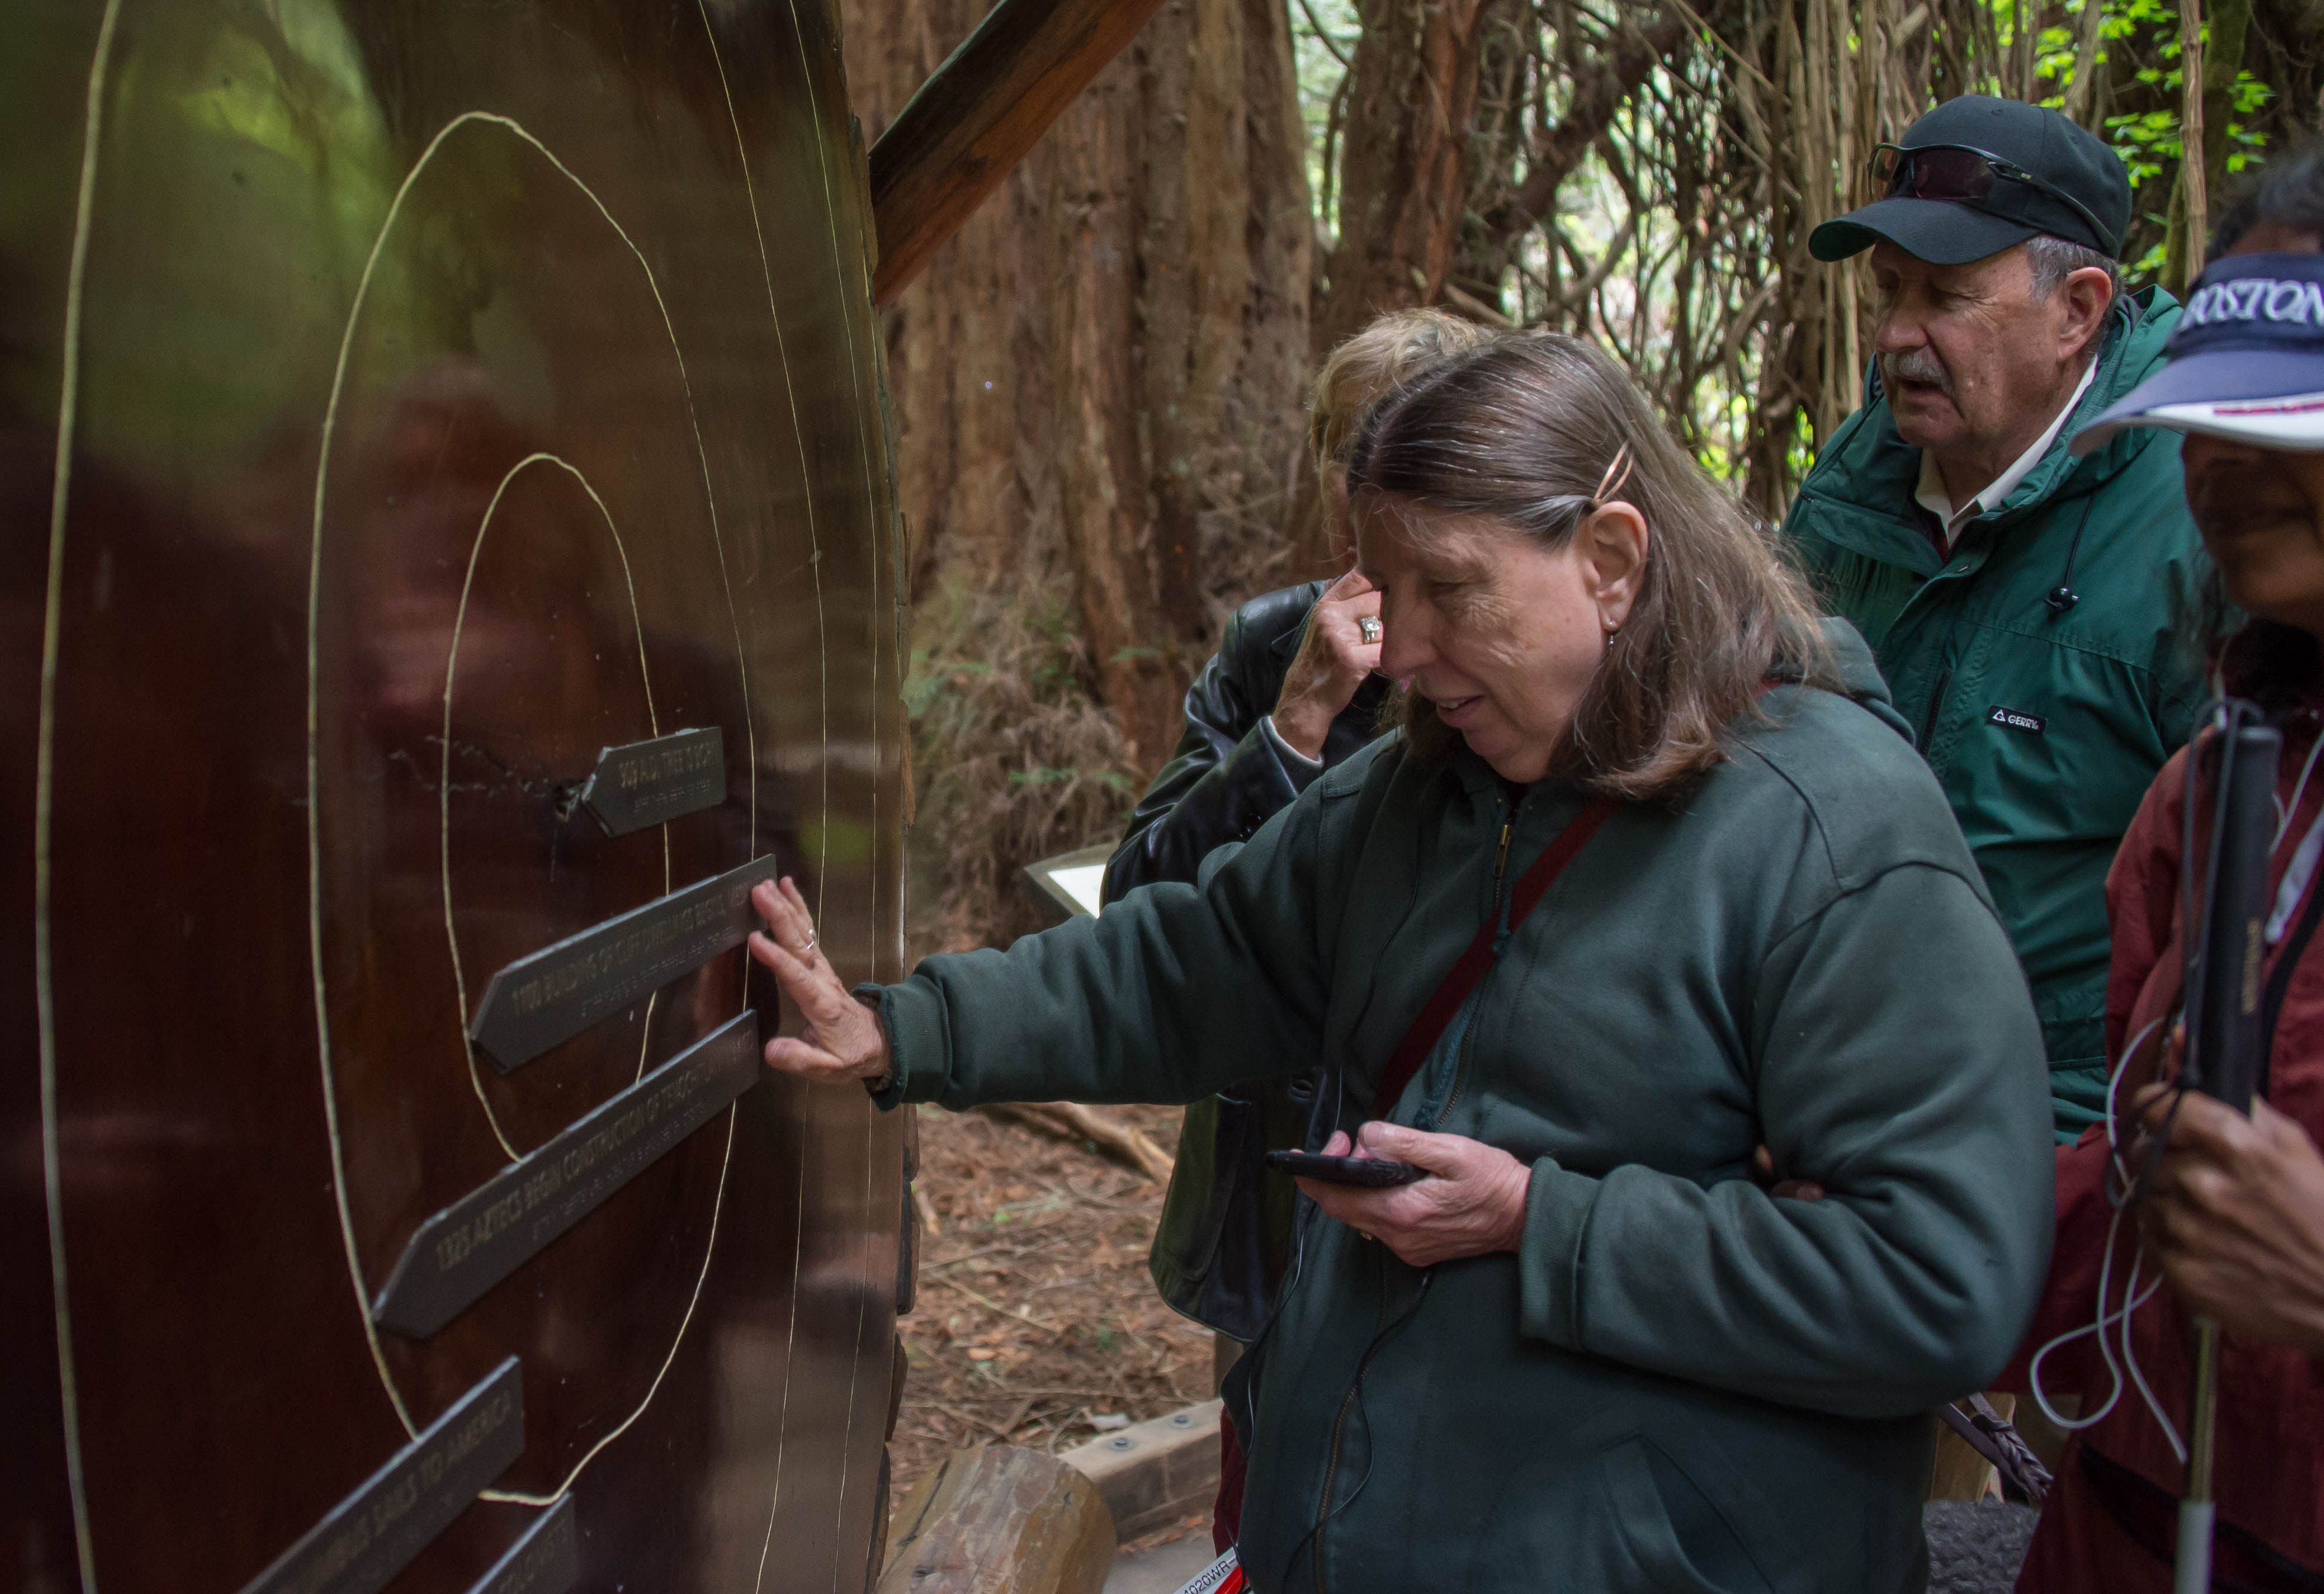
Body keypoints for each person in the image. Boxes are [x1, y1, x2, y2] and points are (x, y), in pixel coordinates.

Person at [754, 332, 2052, 1592]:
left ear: (1608, 561)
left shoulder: (1831, 839)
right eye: (1385, 589)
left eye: (1449, 590)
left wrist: (1544, 1222)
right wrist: (903, 1031)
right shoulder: (1419, 791)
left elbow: (1937, 1281)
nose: (1404, 651)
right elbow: (1189, 963)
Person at [2010, 153, 2324, 1592]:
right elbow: (2119, 1191)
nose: (2220, 465)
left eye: (2288, 425)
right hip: (2121, 1524)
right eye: (2203, 418)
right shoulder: (2215, 789)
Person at [1784, 94, 2212, 1145]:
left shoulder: (2200, 514)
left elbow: (2254, 895)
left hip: (2073, 1116)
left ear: (2077, 310)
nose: (1894, 336)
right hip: (1832, 1083)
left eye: (1946, 296)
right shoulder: (1858, 475)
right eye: (1889, 291)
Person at [1104, 310, 1490, 1416]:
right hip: (1269, 1171)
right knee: (1260, 1474)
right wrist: (1298, 719)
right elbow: (1144, 899)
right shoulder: (1274, 642)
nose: (1359, 478)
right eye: (1342, 445)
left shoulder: (1527, 643)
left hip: (1448, 1169)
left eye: (1399, 444)